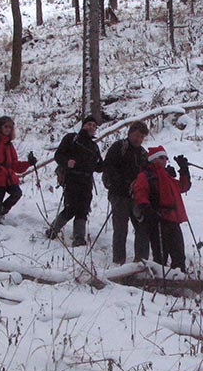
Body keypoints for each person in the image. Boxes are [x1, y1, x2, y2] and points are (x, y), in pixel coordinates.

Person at [46, 116, 104, 246]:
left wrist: (104, 165)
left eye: (94, 126)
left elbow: (99, 167)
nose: (92, 127)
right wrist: (67, 162)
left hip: (87, 181)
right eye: (89, 124)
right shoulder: (71, 138)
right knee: (71, 208)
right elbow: (58, 155)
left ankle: (79, 238)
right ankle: (53, 230)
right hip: (72, 179)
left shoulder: (94, 146)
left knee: (83, 209)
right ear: (83, 125)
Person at [132, 146, 191, 272]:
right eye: (161, 157)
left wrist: (184, 170)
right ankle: (161, 281)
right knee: (160, 255)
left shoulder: (167, 176)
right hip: (157, 219)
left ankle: (178, 278)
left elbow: (183, 186)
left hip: (172, 219)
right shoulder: (146, 175)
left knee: (178, 253)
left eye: (165, 158)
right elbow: (140, 193)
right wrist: (148, 210)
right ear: (153, 159)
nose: (164, 160)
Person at [102, 121, 150, 264]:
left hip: (137, 197)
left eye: (141, 137)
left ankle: (141, 261)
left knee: (142, 228)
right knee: (121, 229)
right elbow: (109, 167)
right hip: (119, 195)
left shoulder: (143, 153)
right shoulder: (118, 147)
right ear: (129, 133)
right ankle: (119, 261)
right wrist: (124, 182)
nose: (138, 139)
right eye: (136, 135)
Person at [0, 116, 37, 228]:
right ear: (0, 127)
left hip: (8, 177)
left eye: (10, 127)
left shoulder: (9, 144)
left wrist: (28, 163)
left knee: (17, 193)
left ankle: (0, 215)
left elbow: (15, 165)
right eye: (6, 127)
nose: (8, 129)